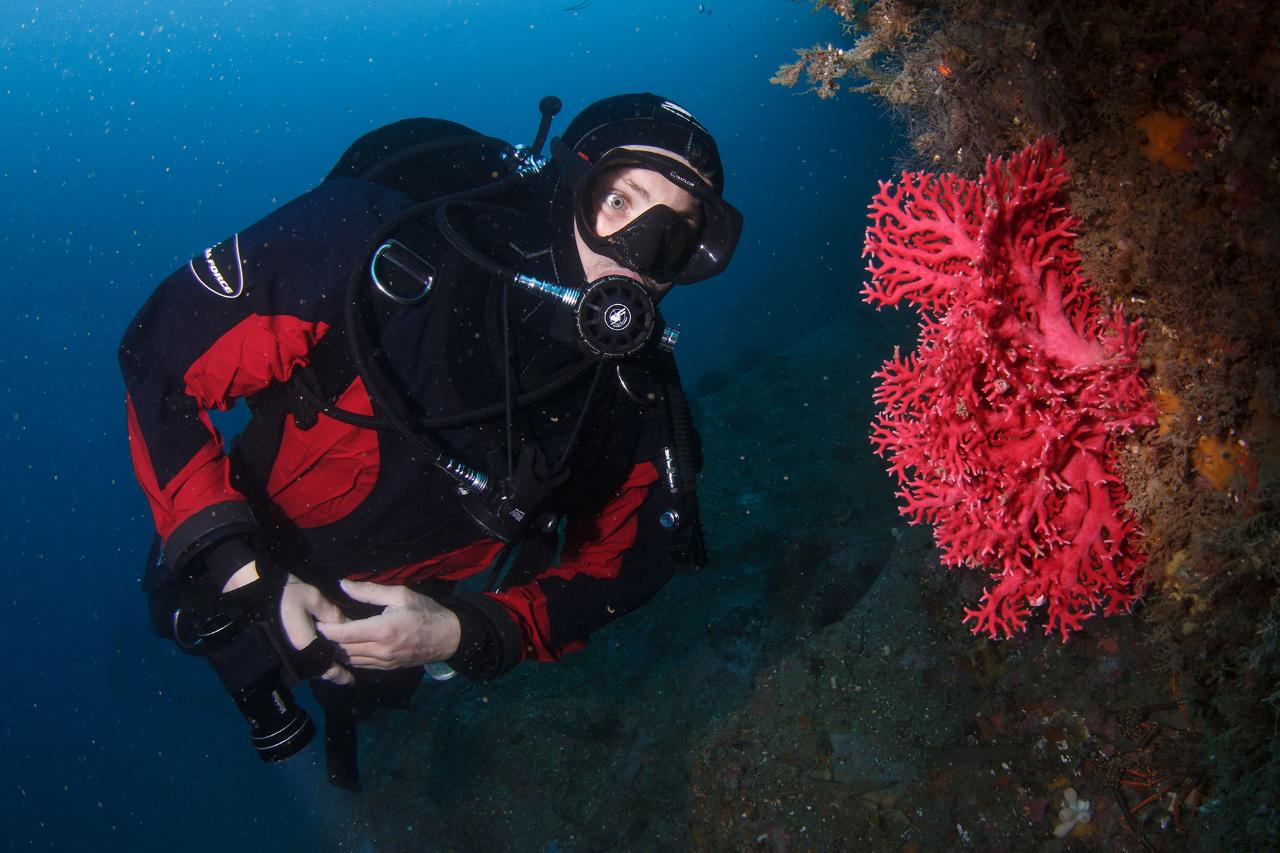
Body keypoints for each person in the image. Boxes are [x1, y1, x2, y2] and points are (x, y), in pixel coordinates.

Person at [118, 93, 742, 785]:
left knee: (358, 697)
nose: (638, 257)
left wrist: (463, 631)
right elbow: (167, 360)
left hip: (400, 613)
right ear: (568, 183)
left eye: (675, 234)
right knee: (187, 620)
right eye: (620, 202)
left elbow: (628, 566)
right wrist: (238, 567)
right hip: (245, 538)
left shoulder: (636, 401)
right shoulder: (369, 241)